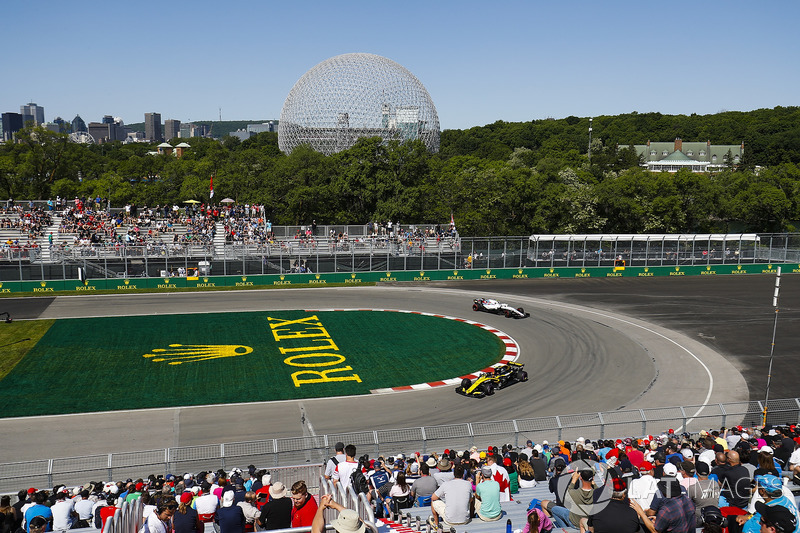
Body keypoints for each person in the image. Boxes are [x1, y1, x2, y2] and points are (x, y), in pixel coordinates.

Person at [429, 464, 473, 530]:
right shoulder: (468, 484)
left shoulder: (446, 484)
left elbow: (433, 497)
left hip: (450, 520)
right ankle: (471, 516)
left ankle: (436, 524)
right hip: (465, 520)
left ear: (454, 474)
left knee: (433, 502)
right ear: (463, 475)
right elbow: (470, 500)